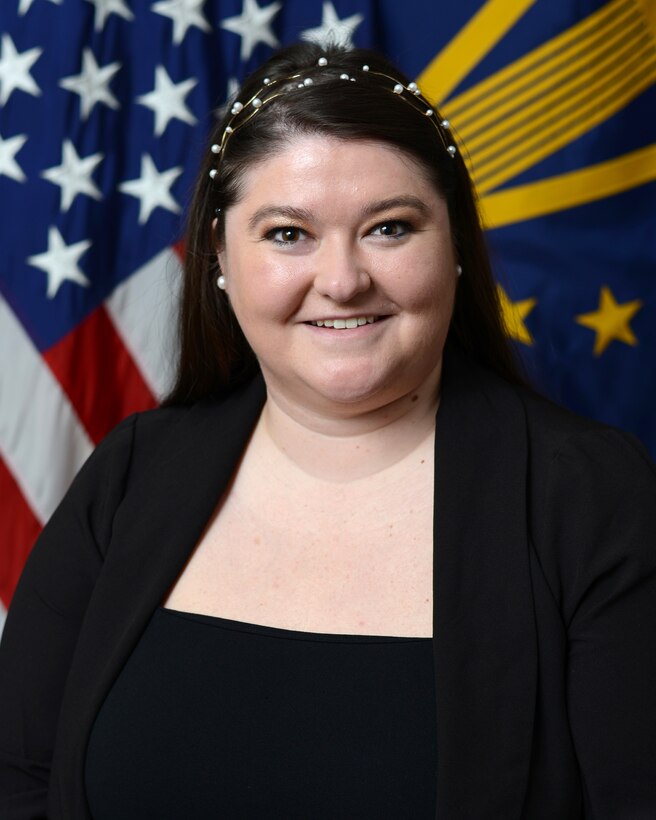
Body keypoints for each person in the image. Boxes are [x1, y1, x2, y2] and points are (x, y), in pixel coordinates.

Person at [1, 41, 655, 820]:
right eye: (287, 234)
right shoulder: (134, 473)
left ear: (452, 247)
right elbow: (19, 780)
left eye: (390, 227)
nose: (342, 279)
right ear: (219, 254)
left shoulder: (590, 497)